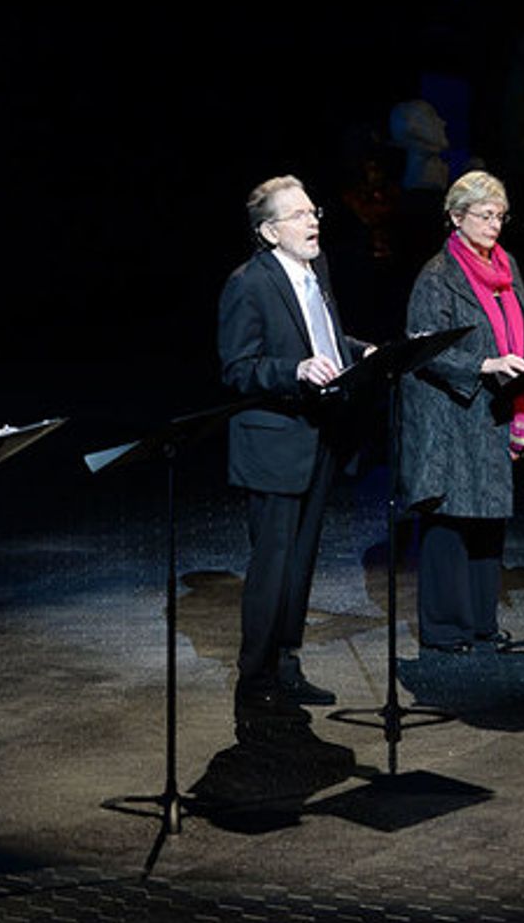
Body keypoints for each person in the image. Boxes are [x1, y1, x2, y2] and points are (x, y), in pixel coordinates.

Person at [218, 175, 372, 707]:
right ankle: (255, 676)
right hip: (274, 444)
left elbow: (323, 340)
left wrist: (359, 353)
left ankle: (286, 662)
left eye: (314, 211)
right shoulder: (249, 283)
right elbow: (238, 369)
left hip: (319, 437)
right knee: (273, 564)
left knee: (302, 560)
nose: (313, 222)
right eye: (299, 215)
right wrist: (296, 370)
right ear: (268, 231)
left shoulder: (315, 271)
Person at [398, 171, 524, 653]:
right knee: (452, 518)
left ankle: (482, 621)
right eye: (485, 215)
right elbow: (423, 349)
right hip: (451, 413)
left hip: (494, 411)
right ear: (457, 216)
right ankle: (446, 627)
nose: (495, 225)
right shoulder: (438, 275)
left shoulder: (507, 267)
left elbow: (523, 325)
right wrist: (484, 363)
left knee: (488, 516)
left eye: (500, 215)